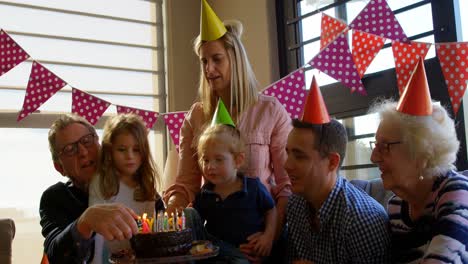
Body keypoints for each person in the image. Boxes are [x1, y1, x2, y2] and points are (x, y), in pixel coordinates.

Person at [164, 1, 291, 261]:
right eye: (204, 62)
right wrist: (173, 210)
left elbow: (287, 187)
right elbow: (185, 185)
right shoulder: (196, 116)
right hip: (214, 243)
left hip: (260, 236)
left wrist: (269, 238)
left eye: (217, 59)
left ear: (235, 58)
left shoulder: (270, 111)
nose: (209, 69)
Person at [370, 59, 468, 263]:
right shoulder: (396, 206)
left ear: (422, 155)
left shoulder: (457, 193)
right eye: (375, 145)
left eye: (385, 146)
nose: (373, 157)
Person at [285, 77, 391, 263]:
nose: (287, 165)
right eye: (288, 153)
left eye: (299, 156)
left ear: (332, 162)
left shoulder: (363, 220)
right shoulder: (295, 205)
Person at [39, 114, 139, 264]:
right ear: (59, 167)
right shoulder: (55, 197)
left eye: (87, 141)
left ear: (100, 145)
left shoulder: (136, 185)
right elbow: (55, 256)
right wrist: (85, 222)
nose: (83, 152)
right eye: (69, 149)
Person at [193, 101, 277, 263]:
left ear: (238, 160)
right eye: (206, 159)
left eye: (219, 159)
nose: (210, 166)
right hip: (214, 253)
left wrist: (268, 236)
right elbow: (197, 229)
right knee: (190, 214)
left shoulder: (253, 187)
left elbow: (271, 210)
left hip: (245, 256)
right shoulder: (204, 194)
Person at [88, 113, 164, 263]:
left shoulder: (146, 184)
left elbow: (148, 230)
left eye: (136, 149)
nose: (130, 156)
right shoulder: (101, 182)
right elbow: (96, 233)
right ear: (110, 151)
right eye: (122, 149)